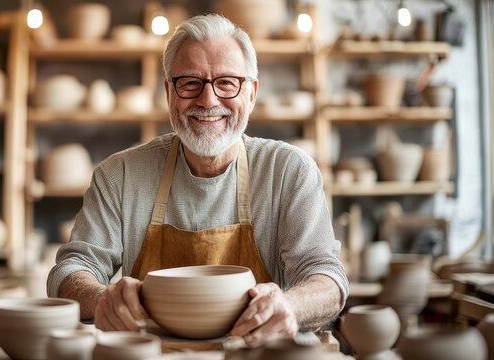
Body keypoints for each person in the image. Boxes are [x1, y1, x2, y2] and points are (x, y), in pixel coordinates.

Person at [47, 13, 348, 346]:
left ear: (251, 93)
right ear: (168, 92)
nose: (208, 101)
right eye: (190, 82)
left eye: (227, 82)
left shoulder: (289, 172)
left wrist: (289, 305)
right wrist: (102, 297)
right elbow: (70, 270)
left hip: (255, 353)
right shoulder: (119, 175)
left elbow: (329, 280)